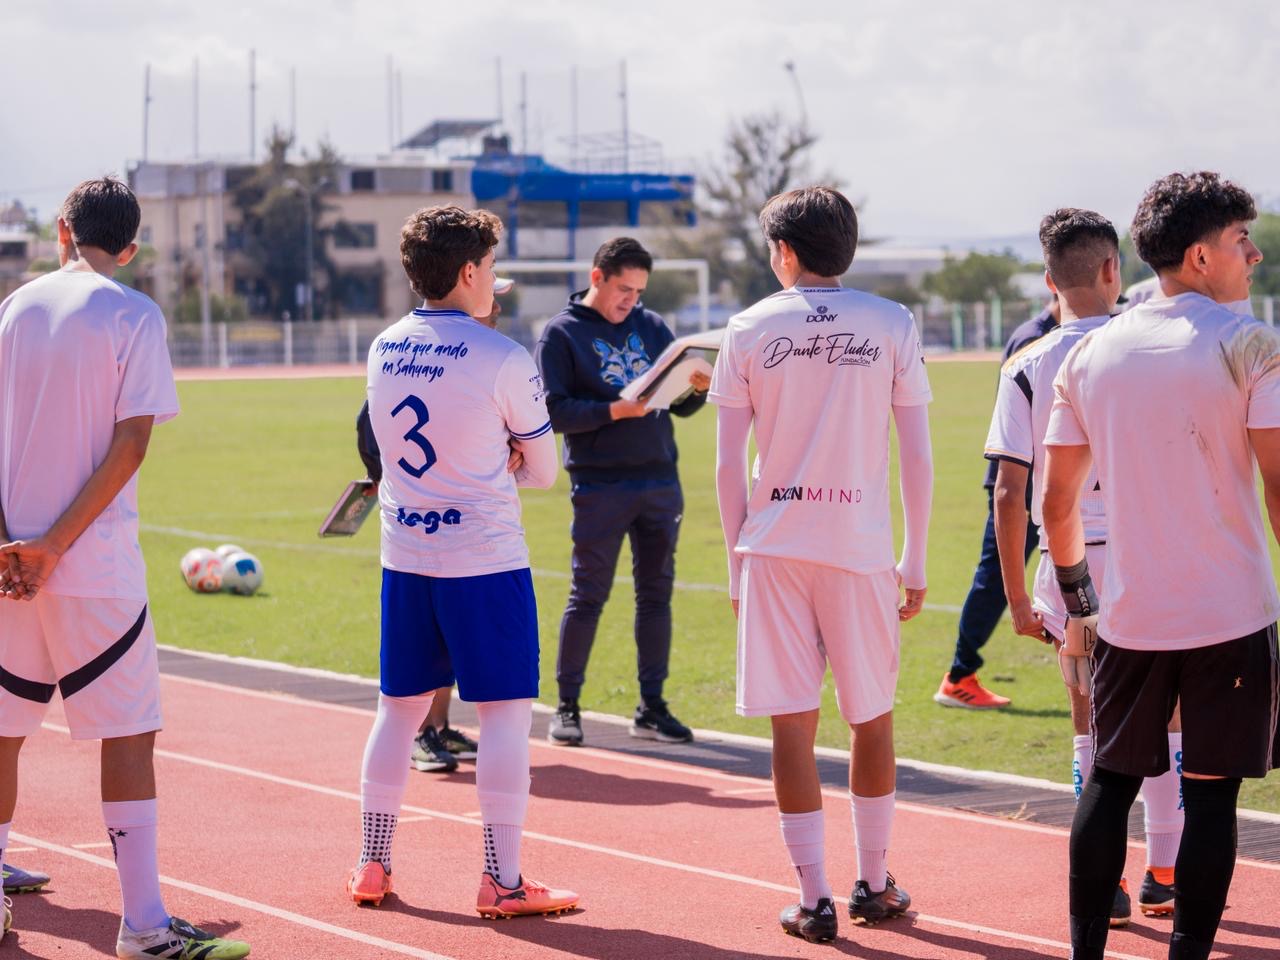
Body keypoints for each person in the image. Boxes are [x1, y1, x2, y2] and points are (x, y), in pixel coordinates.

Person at [0, 177, 250, 957]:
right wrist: (56, 547)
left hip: (8, 569)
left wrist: (15, 545)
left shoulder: (11, 309)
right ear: (132, 248)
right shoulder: (135, 314)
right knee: (130, 735)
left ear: (63, 230)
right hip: (91, 568)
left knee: (3, 735)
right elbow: (132, 444)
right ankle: (143, 925)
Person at [1042, 171, 1279, 960]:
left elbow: (1056, 503)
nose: (1253, 254)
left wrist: (1080, 597)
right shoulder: (1252, 344)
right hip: (1231, 614)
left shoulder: (1088, 351)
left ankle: (1084, 955)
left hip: (1130, 616)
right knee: (1212, 797)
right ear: (1202, 256)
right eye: (1242, 240)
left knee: (1110, 780)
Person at [711, 186, 933, 943]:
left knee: (791, 726)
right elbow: (917, 453)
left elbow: (725, 465)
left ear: (784, 253)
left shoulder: (747, 326)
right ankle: (873, 882)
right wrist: (916, 555)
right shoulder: (892, 321)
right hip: (862, 547)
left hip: (772, 547)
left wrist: (736, 563)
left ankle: (815, 898)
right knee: (871, 717)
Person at [347, 205, 577, 918]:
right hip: (484, 561)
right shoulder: (502, 356)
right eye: (493, 268)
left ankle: (372, 864)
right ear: (470, 270)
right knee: (506, 717)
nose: (497, 282)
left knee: (396, 712)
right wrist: (502, 456)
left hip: (406, 555)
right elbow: (545, 471)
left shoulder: (383, 346)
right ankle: (501, 879)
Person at [985, 208, 1182, 926]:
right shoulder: (1154, 347)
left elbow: (1009, 490)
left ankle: (1112, 883)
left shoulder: (1025, 365)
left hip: (1068, 563)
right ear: (1112, 270)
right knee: (1172, 720)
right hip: (1150, 555)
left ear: (1048, 280)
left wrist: (1014, 594)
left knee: (1090, 724)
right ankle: (1167, 869)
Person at [534, 237, 709, 746]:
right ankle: (566, 707)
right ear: (597, 278)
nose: (631, 300)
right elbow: (551, 413)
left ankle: (651, 707)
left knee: (656, 597)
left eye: (639, 291)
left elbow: (676, 406)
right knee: (587, 595)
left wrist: (695, 388)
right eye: (624, 289)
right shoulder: (561, 335)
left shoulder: (652, 327)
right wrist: (615, 409)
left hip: (660, 481)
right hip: (600, 485)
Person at [353, 279, 515, 774]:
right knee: (427, 654)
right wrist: (396, 483)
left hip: (460, 531)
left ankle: (439, 725)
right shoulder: (421, 359)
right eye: (492, 295)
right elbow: (370, 430)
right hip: (429, 532)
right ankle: (424, 731)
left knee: (452, 646)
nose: (497, 307)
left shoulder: (482, 360)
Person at [934, 296, 1060, 709]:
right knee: (995, 579)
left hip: (1043, 476)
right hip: (1019, 478)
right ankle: (959, 674)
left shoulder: (1055, 336)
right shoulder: (1033, 338)